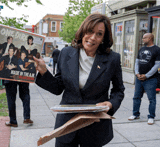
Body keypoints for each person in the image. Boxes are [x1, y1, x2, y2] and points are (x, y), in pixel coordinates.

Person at [33, 13, 125, 147]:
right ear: (83, 31)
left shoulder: (113, 59)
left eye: (99, 34)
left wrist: (110, 104)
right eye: (90, 31)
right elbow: (58, 87)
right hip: (66, 126)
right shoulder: (66, 53)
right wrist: (43, 71)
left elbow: (118, 90)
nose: (92, 38)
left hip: (95, 127)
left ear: (103, 38)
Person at [128, 33, 160, 125]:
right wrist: (137, 73)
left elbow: (157, 64)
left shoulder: (157, 49)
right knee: (136, 97)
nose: (142, 39)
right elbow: (137, 62)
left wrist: (147, 75)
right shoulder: (142, 49)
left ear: (150, 38)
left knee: (151, 99)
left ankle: (151, 117)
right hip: (139, 78)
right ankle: (135, 114)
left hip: (151, 79)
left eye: (144, 38)